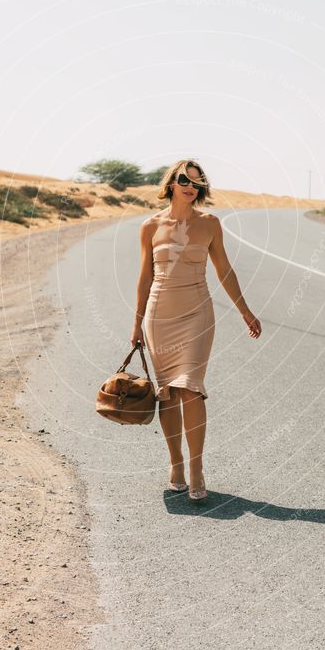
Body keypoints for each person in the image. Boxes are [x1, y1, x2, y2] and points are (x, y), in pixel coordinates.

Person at [131, 159, 261, 501]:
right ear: (171, 183)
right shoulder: (150, 226)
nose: (191, 186)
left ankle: (197, 467)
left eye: (197, 182)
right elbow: (145, 278)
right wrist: (137, 324)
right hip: (159, 315)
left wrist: (245, 311)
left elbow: (224, 271)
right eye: (185, 180)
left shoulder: (210, 224)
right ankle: (176, 463)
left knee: (190, 388)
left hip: (197, 314)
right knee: (168, 394)